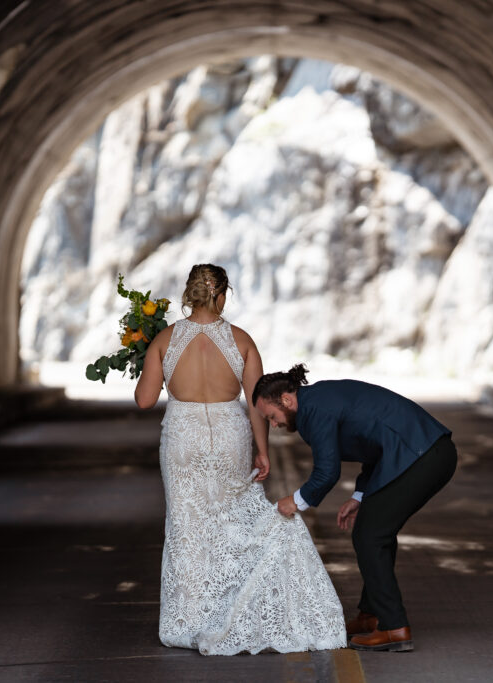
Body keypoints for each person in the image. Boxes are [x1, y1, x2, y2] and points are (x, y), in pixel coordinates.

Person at [134, 265, 346, 655]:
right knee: (230, 523)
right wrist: (263, 451)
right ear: (222, 296)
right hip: (229, 439)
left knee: (186, 528)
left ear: (189, 294)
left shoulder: (164, 340)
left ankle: (189, 618)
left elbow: (145, 400)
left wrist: (144, 359)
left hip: (183, 439)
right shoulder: (242, 341)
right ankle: (228, 609)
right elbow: (256, 405)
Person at [252, 365, 458, 652]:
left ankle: (394, 627)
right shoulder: (318, 400)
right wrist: (360, 495)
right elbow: (373, 447)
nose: (274, 425)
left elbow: (327, 472)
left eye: (271, 417)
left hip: (422, 455)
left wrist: (294, 501)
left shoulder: (315, 410)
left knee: (371, 536)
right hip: (422, 453)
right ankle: (370, 616)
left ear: (286, 400)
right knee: (375, 532)